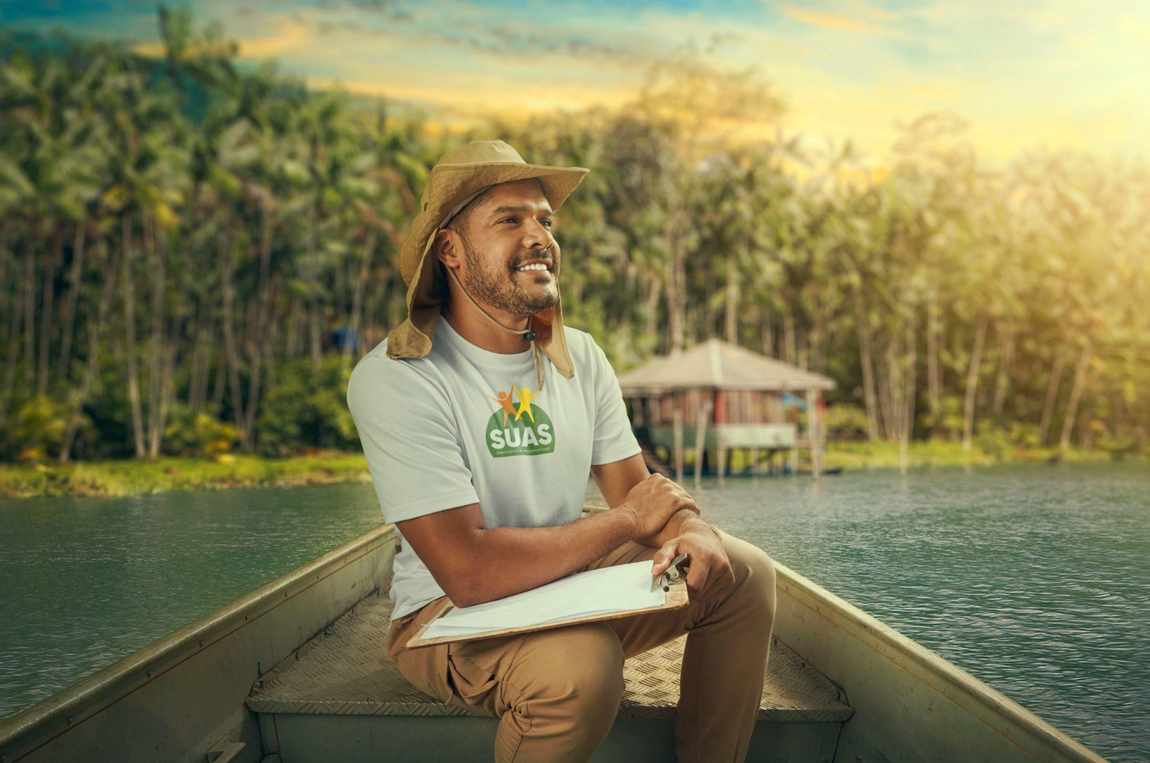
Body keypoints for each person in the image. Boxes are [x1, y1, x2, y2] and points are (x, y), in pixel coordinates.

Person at [346, 139, 777, 763]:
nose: (538, 235)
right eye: (509, 219)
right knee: (582, 667)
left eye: (545, 219)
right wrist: (628, 524)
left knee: (744, 574)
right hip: (443, 616)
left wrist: (690, 528)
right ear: (450, 251)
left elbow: (638, 491)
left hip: (562, 578)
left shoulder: (579, 355)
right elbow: (467, 571)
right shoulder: (399, 375)